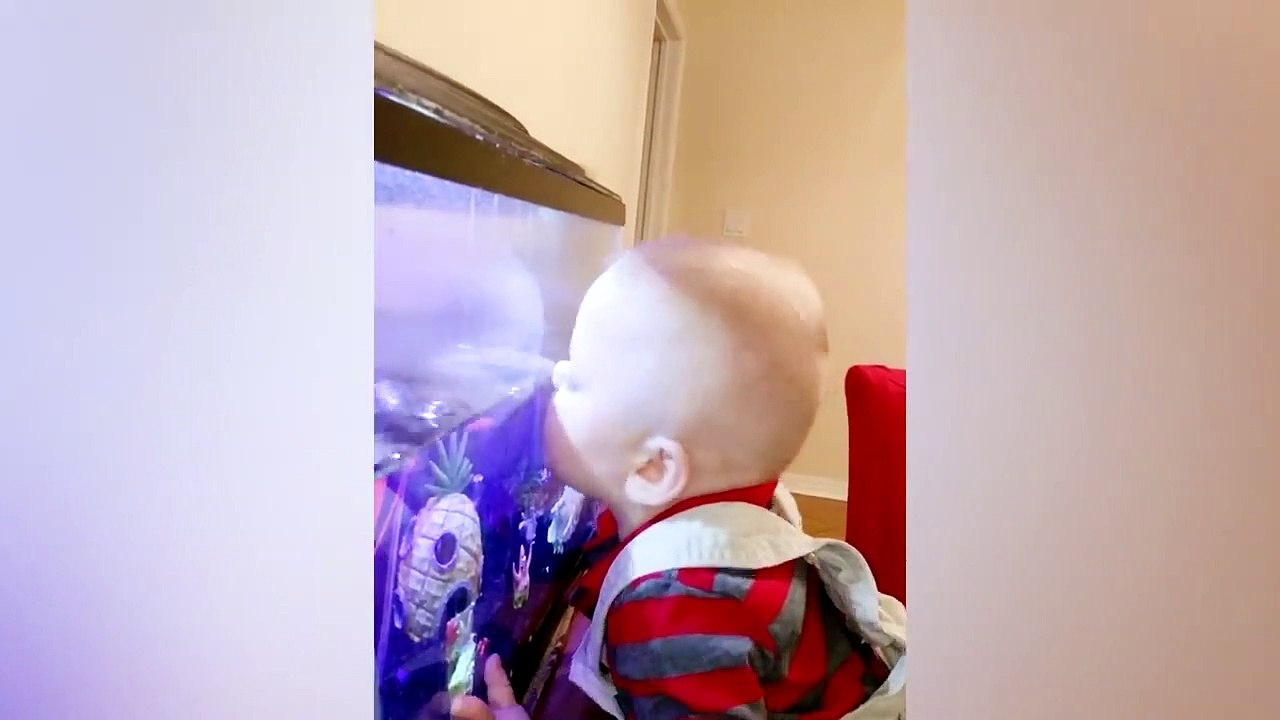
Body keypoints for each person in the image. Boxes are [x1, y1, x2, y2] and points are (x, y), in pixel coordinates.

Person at [453, 237, 906, 720]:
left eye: (578, 379)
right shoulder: (739, 512)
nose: (552, 377)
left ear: (653, 468)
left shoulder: (675, 609)